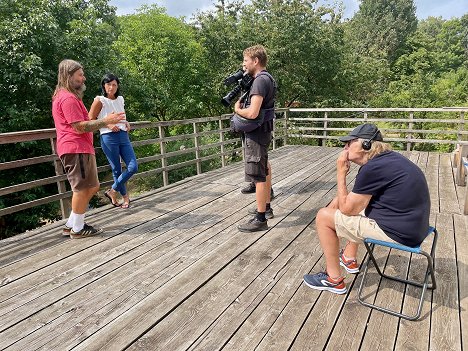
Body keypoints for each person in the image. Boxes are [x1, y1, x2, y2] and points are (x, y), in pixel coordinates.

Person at [303, 123, 430, 294]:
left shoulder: (372, 168)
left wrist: (340, 173)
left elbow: (348, 209)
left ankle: (333, 280)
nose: (345, 147)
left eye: (349, 143)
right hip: (415, 227)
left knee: (323, 216)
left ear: (366, 145)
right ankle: (348, 258)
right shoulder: (390, 159)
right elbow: (353, 205)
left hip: (399, 233)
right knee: (342, 202)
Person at [52, 59, 125, 239]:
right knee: (83, 188)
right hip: (75, 147)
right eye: (80, 75)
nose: (84, 79)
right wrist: (106, 121)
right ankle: (77, 229)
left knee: (90, 186)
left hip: (79, 148)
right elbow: (80, 127)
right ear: (68, 76)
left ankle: (71, 224)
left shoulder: (65, 96)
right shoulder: (67, 98)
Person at [234, 45, 277, 232]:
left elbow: (252, 113)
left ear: (256, 61)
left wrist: (237, 110)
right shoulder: (268, 78)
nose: (244, 65)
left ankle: (260, 219)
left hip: (257, 133)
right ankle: (266, 208)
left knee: (258, 176)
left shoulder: (260, 81)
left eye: (246, 61)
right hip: (264, 131)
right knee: (264, 168)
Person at [89, 73, 138, 209]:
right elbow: (90, 120)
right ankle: (125, 198)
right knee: (116, 169)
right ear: (104, 86)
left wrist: (126, 122)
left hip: (123, 136)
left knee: (133, 167)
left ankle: (112, 191)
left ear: (117, 86)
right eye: (108, 84)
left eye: (114, 84)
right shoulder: (99, 100)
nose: (111, 87)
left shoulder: (120, 99)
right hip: (108, 137)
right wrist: (108, 124)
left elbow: (120, 115)